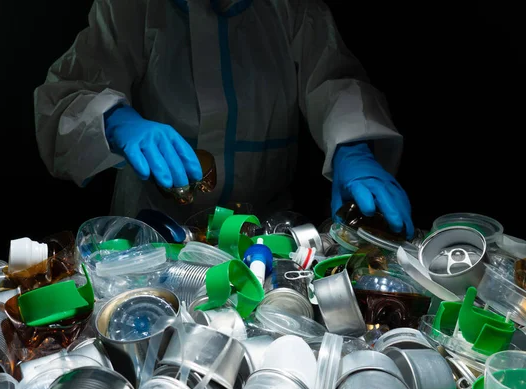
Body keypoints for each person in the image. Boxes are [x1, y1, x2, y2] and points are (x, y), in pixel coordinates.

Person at [34, 0, 414, 239]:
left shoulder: (291, 8)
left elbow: (333, 81)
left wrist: (353, 148)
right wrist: (115, 121)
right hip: (153, 234)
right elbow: (67, 97)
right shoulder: (132, 7)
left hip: (266, 234)